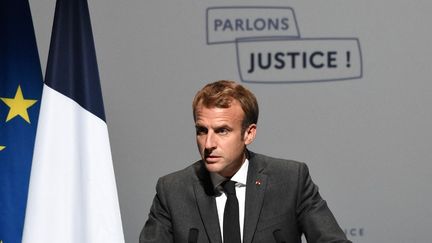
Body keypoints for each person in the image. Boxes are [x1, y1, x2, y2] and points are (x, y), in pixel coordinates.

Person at [140, 80, 351, 243]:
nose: (209, 143)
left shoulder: (290, 180)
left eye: (222, 131)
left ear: (249, 134)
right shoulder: (172, 190)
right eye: (202, 131)